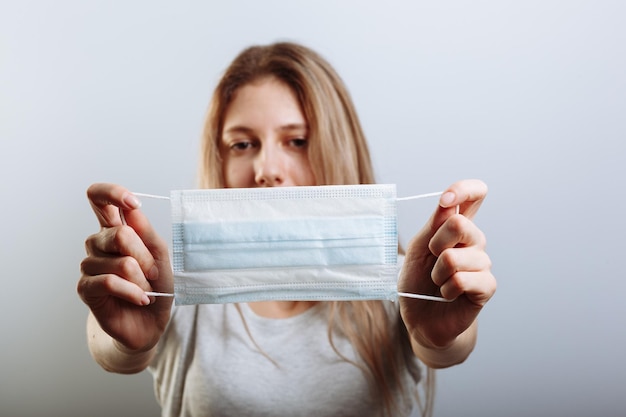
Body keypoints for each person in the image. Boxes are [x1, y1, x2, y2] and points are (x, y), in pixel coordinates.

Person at [77, 41, 496, 417]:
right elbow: (111, 349)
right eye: (242, 144)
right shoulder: (169, 282)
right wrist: (125, 343)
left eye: (296, 140)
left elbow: (445, 347)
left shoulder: (404, 276)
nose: (267, 171)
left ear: (336, 147)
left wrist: (441, 335)